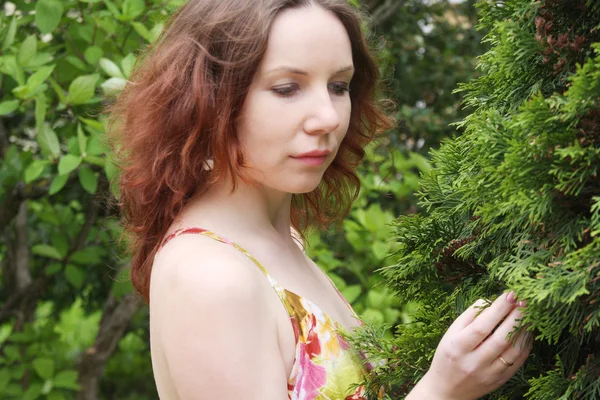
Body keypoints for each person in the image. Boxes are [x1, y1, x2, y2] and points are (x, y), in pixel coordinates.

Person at [109, 0, 532, 398]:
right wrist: (441, 390)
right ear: (209, 98)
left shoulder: (280, 240)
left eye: (338, 86)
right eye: (288, 88)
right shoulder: (212, 277)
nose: (329, 117)